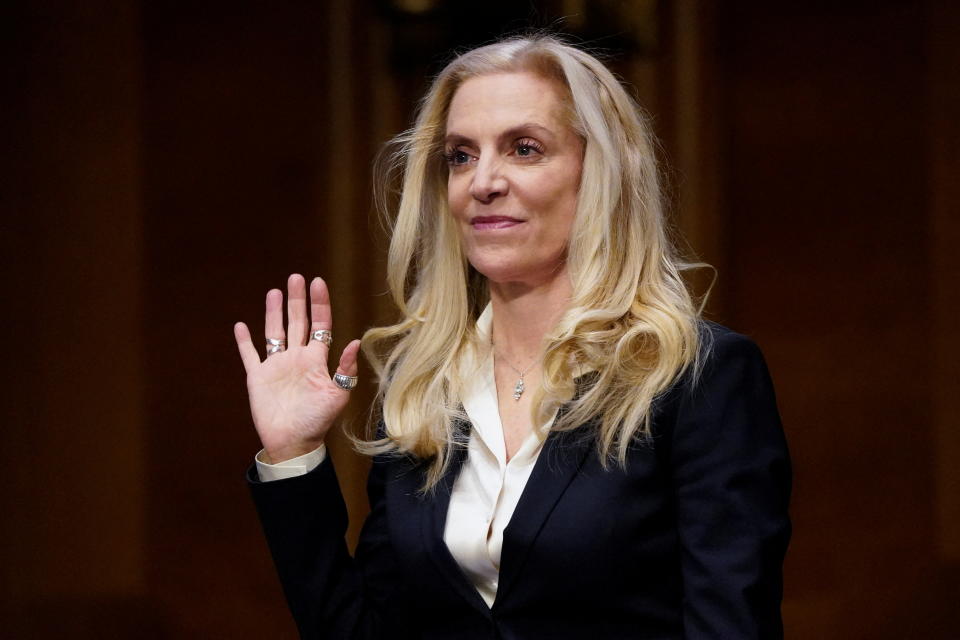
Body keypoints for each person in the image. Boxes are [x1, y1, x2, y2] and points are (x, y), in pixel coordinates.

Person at [234, 34, 791, 639]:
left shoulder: (697, 376)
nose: (484, 182)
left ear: (599, 171)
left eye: (524, 149)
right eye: (461, 156)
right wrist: (293, 458)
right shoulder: (422, 388)